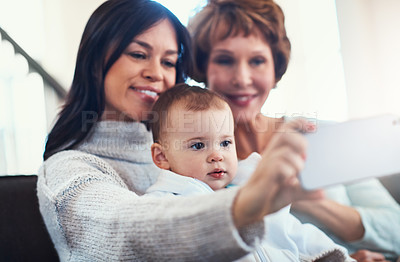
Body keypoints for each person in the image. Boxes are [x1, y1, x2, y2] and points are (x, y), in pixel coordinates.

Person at [37, 0, 326, 260]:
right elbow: (129, 229)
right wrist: (250, 202)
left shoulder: (187, 158)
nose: (157, 73)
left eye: (169, 62)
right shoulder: (69, 171)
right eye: (139, 54)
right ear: (96, 60)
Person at [188, 0, 400, 261]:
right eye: (224, 60)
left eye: (257, 61)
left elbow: (396, 230)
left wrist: (311, 203)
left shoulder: (321, 136)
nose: (242, 78)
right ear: (202, 67)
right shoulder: (194, 160)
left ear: (275, 68)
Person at [145, 83, 353, 261]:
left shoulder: (249, 187)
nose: (217, 155)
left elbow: (296, 233)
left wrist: (341, 257)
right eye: (198, 146)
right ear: (162, 157)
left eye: (225, 142)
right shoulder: (163, 204)